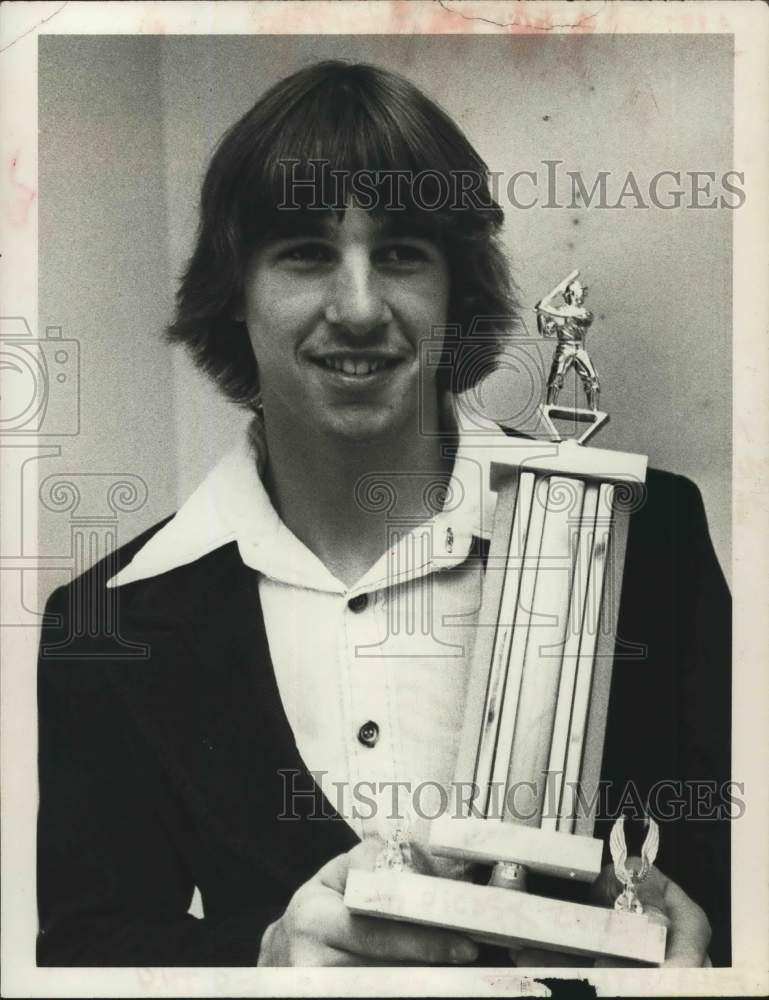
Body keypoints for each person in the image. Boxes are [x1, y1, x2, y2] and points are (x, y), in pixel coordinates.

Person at [37, 60, 731, 968]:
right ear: (234, 291)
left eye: (401, 253)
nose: (359, 309)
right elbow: (87, 953)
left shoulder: (648, 536)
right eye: (305, 252)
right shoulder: (109, 619)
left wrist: (711, 955)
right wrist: (262, 959)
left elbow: (735, 884)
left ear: (455, 288)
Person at [536, 268, 601, 411]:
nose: (575, 294)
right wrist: (540, 315)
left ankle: (594, 409)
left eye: (577, 291)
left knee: (592, 378)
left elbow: (570, 318)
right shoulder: (559, 311)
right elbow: (546, 332)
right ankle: (550, 404)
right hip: (564, 348)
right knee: (556, 376)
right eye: (572, 291)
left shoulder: (584, 313)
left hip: (580, 350)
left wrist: (546, 310)